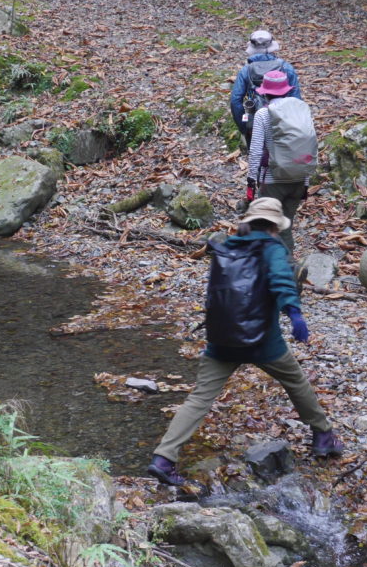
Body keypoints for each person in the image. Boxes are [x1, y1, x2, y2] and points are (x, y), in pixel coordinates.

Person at [147, 198, 344, 487]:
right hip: (263, 340)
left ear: (249, 222)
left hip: (223, 339)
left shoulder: (226, 246)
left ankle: (164, 459)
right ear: (274, 227)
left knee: (199, 398)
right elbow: (280, 280)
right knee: (296, 382)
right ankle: (323, 436)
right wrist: (295, 313)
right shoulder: (272, 248)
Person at [246, 70, 313, 259]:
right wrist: (306, 181)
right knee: (286, 224)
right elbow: (306, 145)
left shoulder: (263, 114)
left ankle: (284, 270)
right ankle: (287, 268)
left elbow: (256, 150)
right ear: (286, 91)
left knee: (268, 227)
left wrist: (251, 180)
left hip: (272, 181)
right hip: (299, 179)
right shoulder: (301, 109)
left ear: (264, 92)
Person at [229, 29, 301, 147]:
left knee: (257, 155)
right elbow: (296, 99)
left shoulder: (246, 71)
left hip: (255, 123)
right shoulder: (286, 68)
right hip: (282, 123)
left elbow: (235, 100)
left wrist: (244, 126)